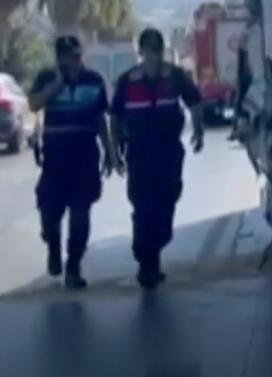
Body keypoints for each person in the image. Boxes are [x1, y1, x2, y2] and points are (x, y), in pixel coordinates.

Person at [110, 27, 205, 289]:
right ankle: (146, 263)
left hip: (168, 152)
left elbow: (194, 102)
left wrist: (199, 131)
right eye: (148, 50)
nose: (152, 56)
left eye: (157, 50)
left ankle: (155, 249)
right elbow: (115, 117)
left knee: (167, 201)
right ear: (141, 52)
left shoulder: (176, 76)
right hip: (139, 153)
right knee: (142, 206)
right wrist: (114, 151)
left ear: (162, 51)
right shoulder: (127, 81)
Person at [28, 35, 118, 289]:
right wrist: (57, 84)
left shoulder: (94, 81)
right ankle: (53, 249)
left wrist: (109, 152)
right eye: (68, 58)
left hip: (84, 157)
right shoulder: (47, 78)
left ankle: (74, 267)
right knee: (49, 215)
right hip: (55, 159)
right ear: (59, 59)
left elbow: (100, 119)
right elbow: (34, 104)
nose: (74, 62)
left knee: (80, 215)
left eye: (77, 56)